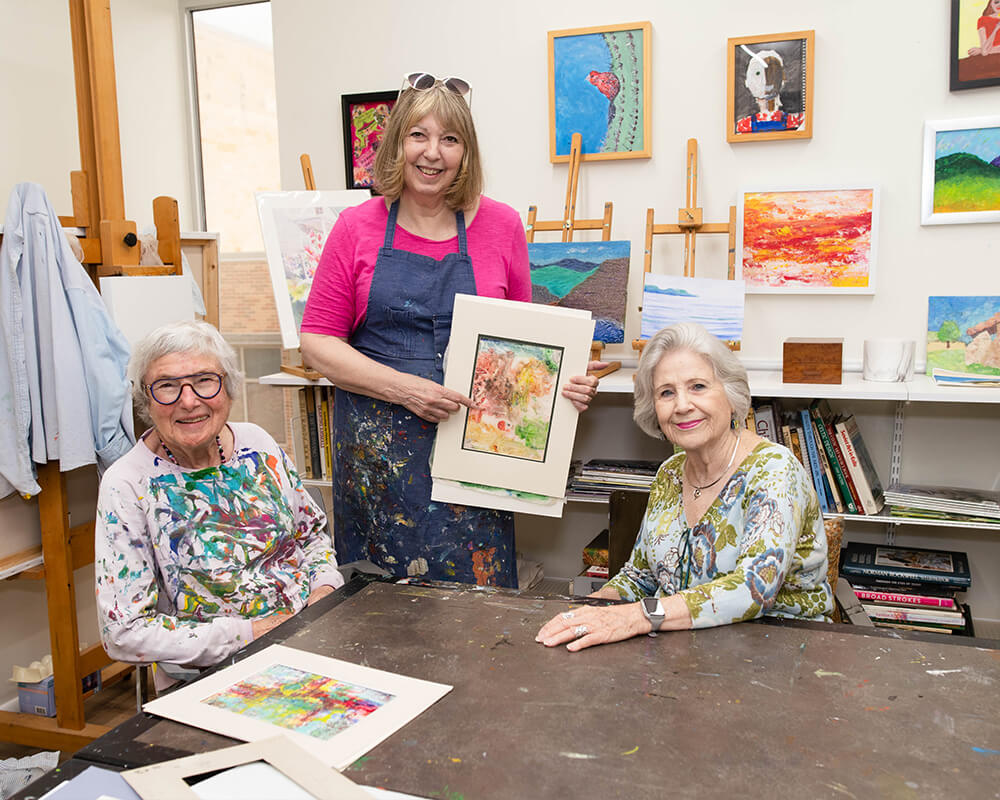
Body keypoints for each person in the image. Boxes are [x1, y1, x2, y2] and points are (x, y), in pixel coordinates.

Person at [300, 73, 600, 588]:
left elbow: (524, 348)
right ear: (397, 144)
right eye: (418, 135)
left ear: (467, 151)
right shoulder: (356, 228)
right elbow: (317, 343)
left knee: (478, 626)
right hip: (379, 463)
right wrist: (404, 388)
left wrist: (563, 384)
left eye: (450, 139)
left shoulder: (501, 226)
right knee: (379, 623)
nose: (432, 153)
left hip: (475, 459)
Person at [537, 322, 832, 652]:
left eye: (698, 387)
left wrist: (635, 617)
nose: (681, 406)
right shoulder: (669, 474)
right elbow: (641, 576)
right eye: (666, 393)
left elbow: (753, 589)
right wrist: (586, 612)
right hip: (684, 653)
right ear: (654, 409)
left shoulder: (774, 469)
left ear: (731, 395)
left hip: (780, 656)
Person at [95, 320, 343, 675]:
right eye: (167, 386)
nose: (189, 401)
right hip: (221, 667)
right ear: (146, 399)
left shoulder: (257, 442)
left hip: (313, 630)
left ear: (228, 387)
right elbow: (123, 632)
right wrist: (249, 633)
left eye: (204, 381)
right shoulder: (128, 483)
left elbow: (312, 536)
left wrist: (322, 592)